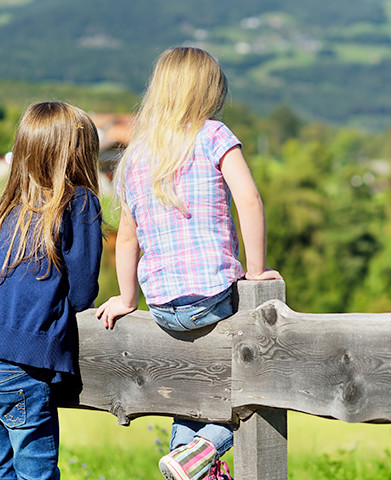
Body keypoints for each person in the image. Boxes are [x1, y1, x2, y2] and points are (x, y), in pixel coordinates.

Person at [95, 47, 282, 480]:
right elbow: (249, 201)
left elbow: (126, 237)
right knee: (254, 383)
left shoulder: (139, 153)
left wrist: (126, 298)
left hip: (162, 306)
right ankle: (208, 446)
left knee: (190, 386)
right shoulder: (214, 134)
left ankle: (190, 464)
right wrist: (255, 270)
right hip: (212, 294)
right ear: (209, 91)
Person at [0, 101, 103, 479]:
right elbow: (81, 292)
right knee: (36, 472)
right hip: (25, 365)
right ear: (78, 155)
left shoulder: (8, 207)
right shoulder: (79, 203)